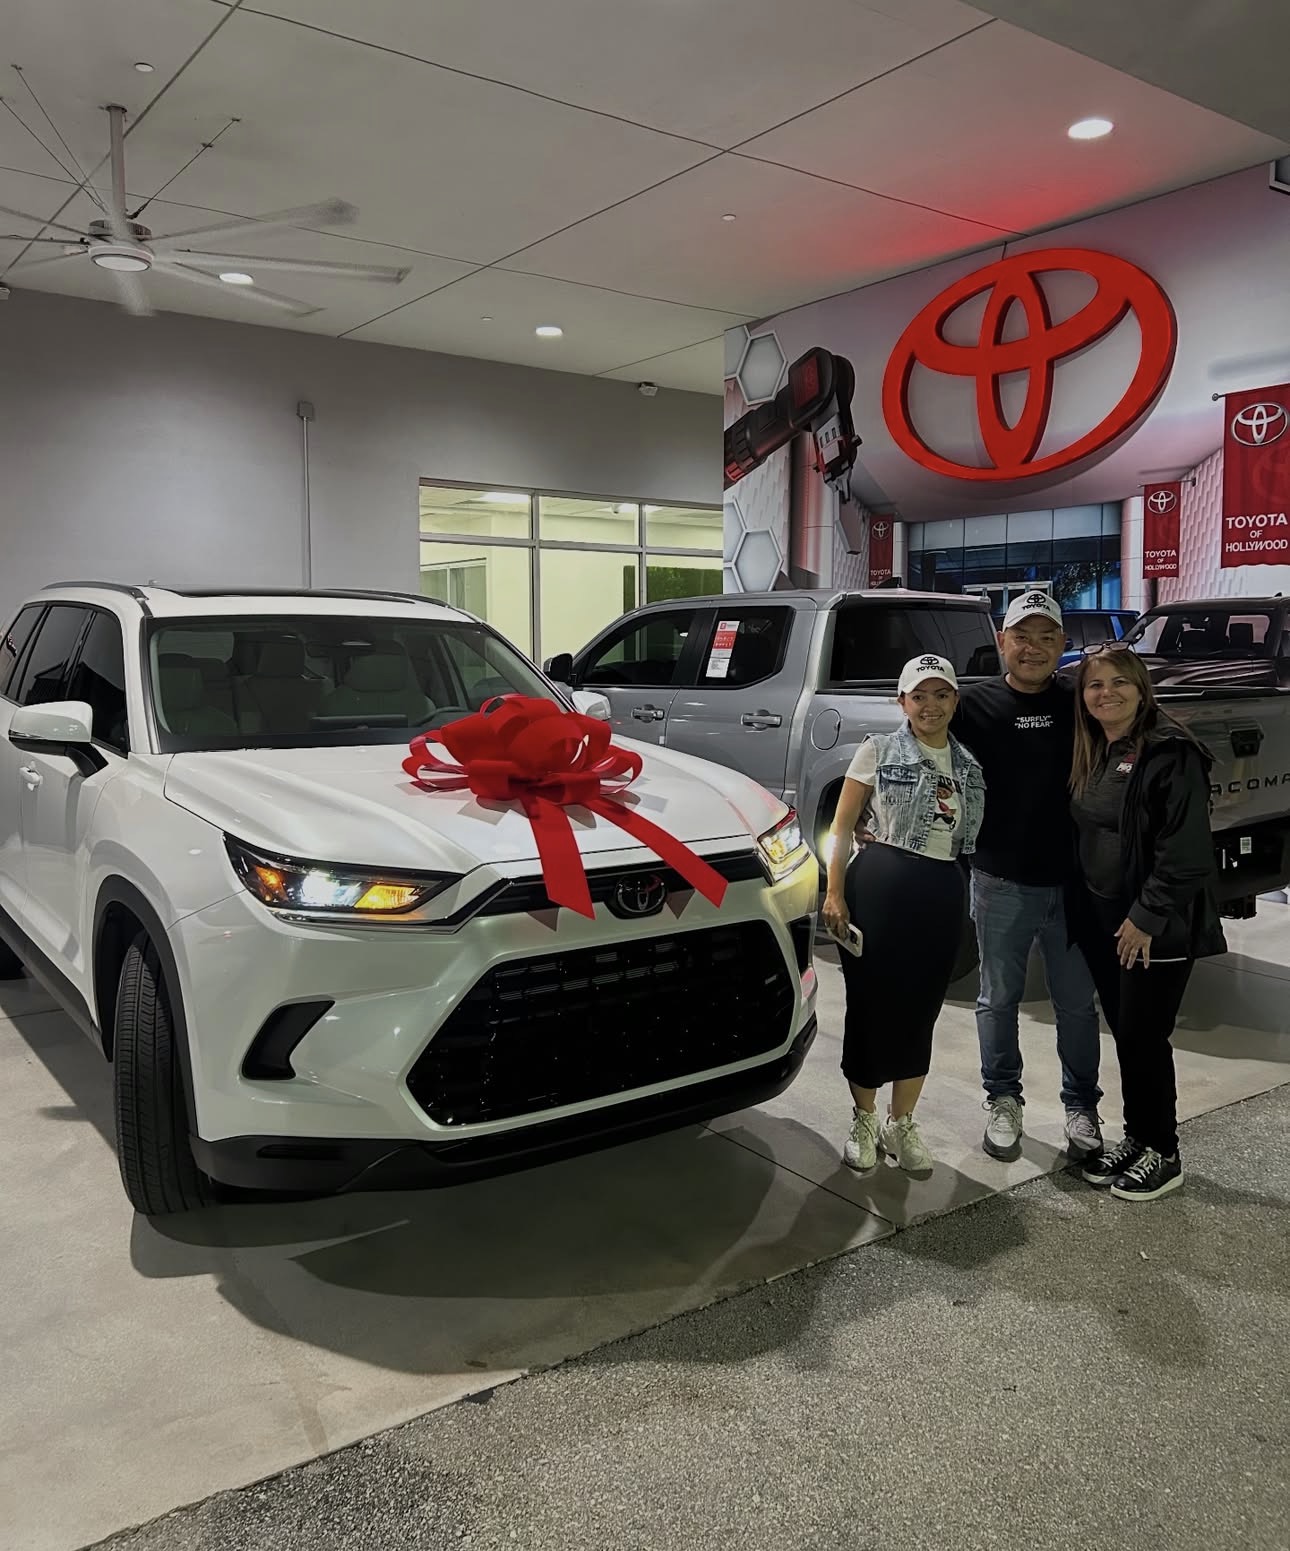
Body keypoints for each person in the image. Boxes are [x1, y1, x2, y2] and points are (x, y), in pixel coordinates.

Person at [1068, 645, 1226, 1201]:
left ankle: (1165, 1151)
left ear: (1141, 689)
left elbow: (1186, 853)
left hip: (1155, 923)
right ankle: (1138, 1136)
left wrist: (1146, 917)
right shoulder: (1098, 748)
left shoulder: (1170, 752)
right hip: (1108, 920)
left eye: (1119, 682)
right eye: (1095, 685)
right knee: (1129, 1035)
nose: (1106, 693)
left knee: (1145, 1035)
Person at [952, 591, 1103, 1163]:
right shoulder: (970, 704)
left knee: (1077, 1005)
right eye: (1022, 636)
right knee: (997, 999)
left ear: (1063, 644)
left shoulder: (1082, 700)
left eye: (1046, 637)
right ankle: (1003, 1099)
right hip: (1000, 881)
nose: (1033, 648)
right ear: (1002, 642)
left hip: (1075, 884)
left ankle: (1082, 1106)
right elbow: (916, 756)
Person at [823, 654, 985, 1178]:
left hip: (941, 891)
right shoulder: (877, 750)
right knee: (871, 1005)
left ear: (955, 700)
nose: (930, 705)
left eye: (941, 694)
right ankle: (864, 1119)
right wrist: (834, 892)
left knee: (921, 1008)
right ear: (902, 702)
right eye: (919, 696)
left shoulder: (969, 765)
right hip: (880, 886)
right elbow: (841, 827)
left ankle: (902, 1122)